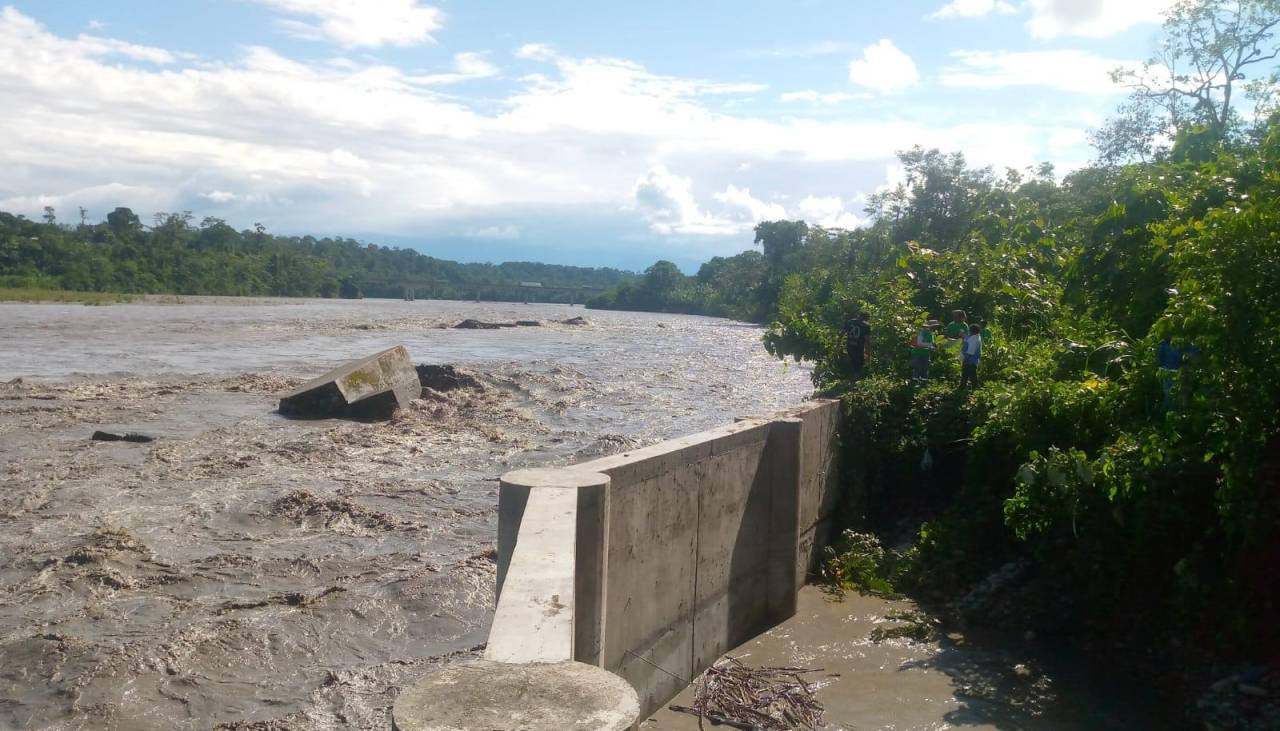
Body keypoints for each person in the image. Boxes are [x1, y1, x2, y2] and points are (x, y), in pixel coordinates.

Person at [910, 320, 941, 385]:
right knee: (917, 368)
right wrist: (931, 345)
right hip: (917, 353)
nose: (935, 328)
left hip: (926, 353)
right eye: (934, 327)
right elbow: (919, 343)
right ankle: (914, 382)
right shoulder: (921, 332)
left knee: (925, 368)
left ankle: (924, 383)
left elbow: (930, 344)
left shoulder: (931, 334)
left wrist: (934, 347)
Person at [844, 311, 871, 380]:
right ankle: (856, 378)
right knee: (859, 362)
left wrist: (837, 345)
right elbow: (867, 340)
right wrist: (868, 353)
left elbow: (841, 334)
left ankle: (854, 377)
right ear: (866, 318)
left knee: (853, 361)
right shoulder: (866, 325)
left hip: (850, 345)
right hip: (859, 346)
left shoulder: (849, 322)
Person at [959, 323, 982, 389]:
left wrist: (965, 360)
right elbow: (966, 338)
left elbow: (970, 351)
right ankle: (967, 387)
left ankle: (965, 388)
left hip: (970, 361)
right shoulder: (975, 337)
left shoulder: (974, 339)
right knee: (969, 375)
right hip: (971, 361)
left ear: (972, 331)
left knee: (968, 375)